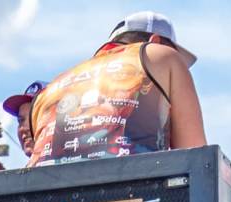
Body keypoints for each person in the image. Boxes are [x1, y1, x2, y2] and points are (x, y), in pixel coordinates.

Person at [28, 11, 205, 165]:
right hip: (132, 195)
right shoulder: (160, 55)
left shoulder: (51, 88)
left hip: (38, 200)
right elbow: (196, 157)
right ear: (155, 41)